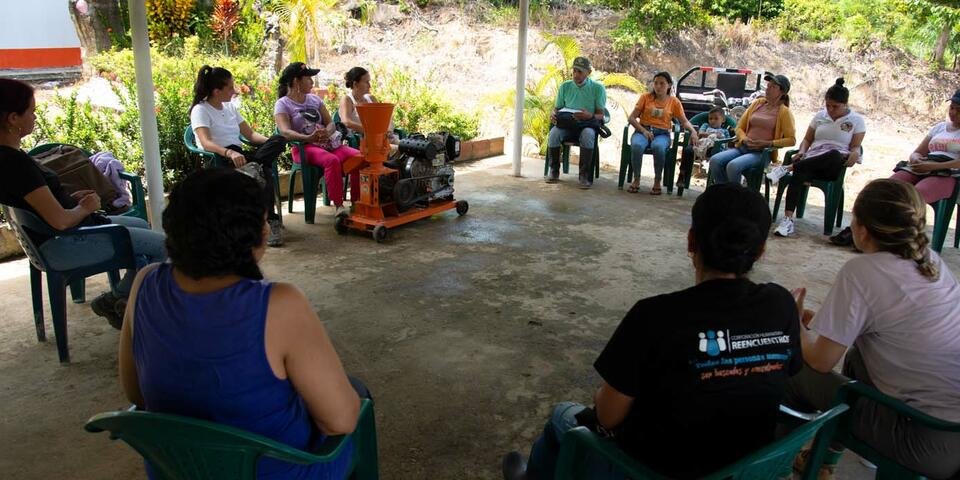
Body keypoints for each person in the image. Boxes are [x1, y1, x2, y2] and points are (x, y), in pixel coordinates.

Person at [502, 183, 801, 480]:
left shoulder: (654, 315)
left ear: (691, 241)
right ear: (760, 251)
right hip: (746, 469)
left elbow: (608, 416)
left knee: (563, 416)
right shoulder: (782, 304)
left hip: (651, 471)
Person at [118, 168, 367, 479]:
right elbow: (340, 421)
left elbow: (136, 393)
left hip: (177, 469)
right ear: (251, 237)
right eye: (264, 220)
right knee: (358, 396)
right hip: (274, 471)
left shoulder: (144, 283)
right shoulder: (280, 304)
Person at [787, 179, 960, 479]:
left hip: (925, 439)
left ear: (863, 230)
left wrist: (795, 322)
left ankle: (773, 466)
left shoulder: (861, 272)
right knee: (857, 357)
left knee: (794, 372)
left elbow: (820, 361)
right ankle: (823, 459)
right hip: (948, 431)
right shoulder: (930, 260)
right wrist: (822, 324)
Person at [0, 78, 166, 329]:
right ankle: (124, 300)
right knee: (164, 246)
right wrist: (85, 207)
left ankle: (122, 297)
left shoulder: (8, 156)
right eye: (31, 112)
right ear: (13, 118)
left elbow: (36, 203)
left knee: (141, 225)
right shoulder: (17, 165)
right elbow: (60, 221)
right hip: (63, 243)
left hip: (49, 239)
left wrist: (69, 200)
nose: (35, 117)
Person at [189, 65, 287, 247]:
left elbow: (251, 135)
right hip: (220, 157)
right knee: (265, 170)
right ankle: (269, 220)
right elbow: (206, 142)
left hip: (241, 156)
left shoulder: (230, 107)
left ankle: (254, 167)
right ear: (217, 91)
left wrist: (270, 143)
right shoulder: (200, 110)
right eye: (230, 87)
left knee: (280, 139)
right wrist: (229, 152)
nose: (234, 91)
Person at [767, 78, 866, 238]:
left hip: (833, 165)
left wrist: (855, 153)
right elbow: (807, 140)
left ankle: (787, 168)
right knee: (800, 171)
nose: (831, 110)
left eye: (835, 106)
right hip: (812, 160)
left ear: (845, 104)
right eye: (828, 105)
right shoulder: (820, 116)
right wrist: (802, 151)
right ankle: (788, 220)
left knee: (834, 154)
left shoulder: (856, 120)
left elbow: (855, 146)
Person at [275, 62, 361, 216]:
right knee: (331, 160)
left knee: (359, 158)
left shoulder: (315, 100)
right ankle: (339, 206)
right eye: (308, 78)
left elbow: (330, 123)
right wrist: (307, 137)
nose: (312, 82)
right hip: (304, 148)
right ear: (296, 81)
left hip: (327, 144)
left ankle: (357, 202)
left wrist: (327, 132)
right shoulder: (282, 104)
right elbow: (285, 131)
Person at [709, 73, 796, 186]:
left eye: (773, 87)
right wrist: (744, 138)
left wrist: (768, 143)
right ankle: (725, 191)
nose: (768, 89)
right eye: (768, 86)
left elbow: (791, 140)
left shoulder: (784, 112)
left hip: (761, 153)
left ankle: (735, 194)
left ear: (782, 92)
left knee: (733, 166)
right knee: (715, 160)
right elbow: (739, 127)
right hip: (743, 147)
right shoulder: (757, 104)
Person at [626, 71, 698, 195]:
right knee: (637, 146)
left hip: (662, 134)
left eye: (662, 83)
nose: (658, 86)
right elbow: (631, 118)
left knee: (658, 147)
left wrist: (693, 131)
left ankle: (657, 181)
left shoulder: (674, 102)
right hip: (643, 131)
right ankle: (636, 179)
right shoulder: (645, 97)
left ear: (669, 85)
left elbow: (684, 121)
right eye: (656, 83)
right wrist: (643, 131)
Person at [545, 56, 607, 189]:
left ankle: (584, 175)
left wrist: (589, 115)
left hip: (586, 125)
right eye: (574, 71)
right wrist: (553, 113)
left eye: (580, 71)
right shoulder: (565, 86)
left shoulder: (598, 88)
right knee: (554, 134)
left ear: (588, 72)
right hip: (567, 125)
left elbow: (601, 115)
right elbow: (557, 108)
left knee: (588, 135)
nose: (576, 74)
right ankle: (554, 171)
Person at [890, 88, 960, 204]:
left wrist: (933, 167)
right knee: (887, 188)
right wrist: (916, 159)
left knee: (915, 197)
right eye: (952, 108)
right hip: (924, 164)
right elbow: (917, 152)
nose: (953, 113)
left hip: (947, 172)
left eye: (959, 110)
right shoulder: (940, 127)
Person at [338, 66, 399, 145]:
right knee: (399, 148)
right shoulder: (347, 99)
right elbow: (346, 122)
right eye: (366, 82)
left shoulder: (371, 98)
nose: (369, 85)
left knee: (406, 147)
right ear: (355, 84)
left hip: (382, 138)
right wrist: (372, 132)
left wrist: (387, 130)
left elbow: (383, 117)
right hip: (361, 142)